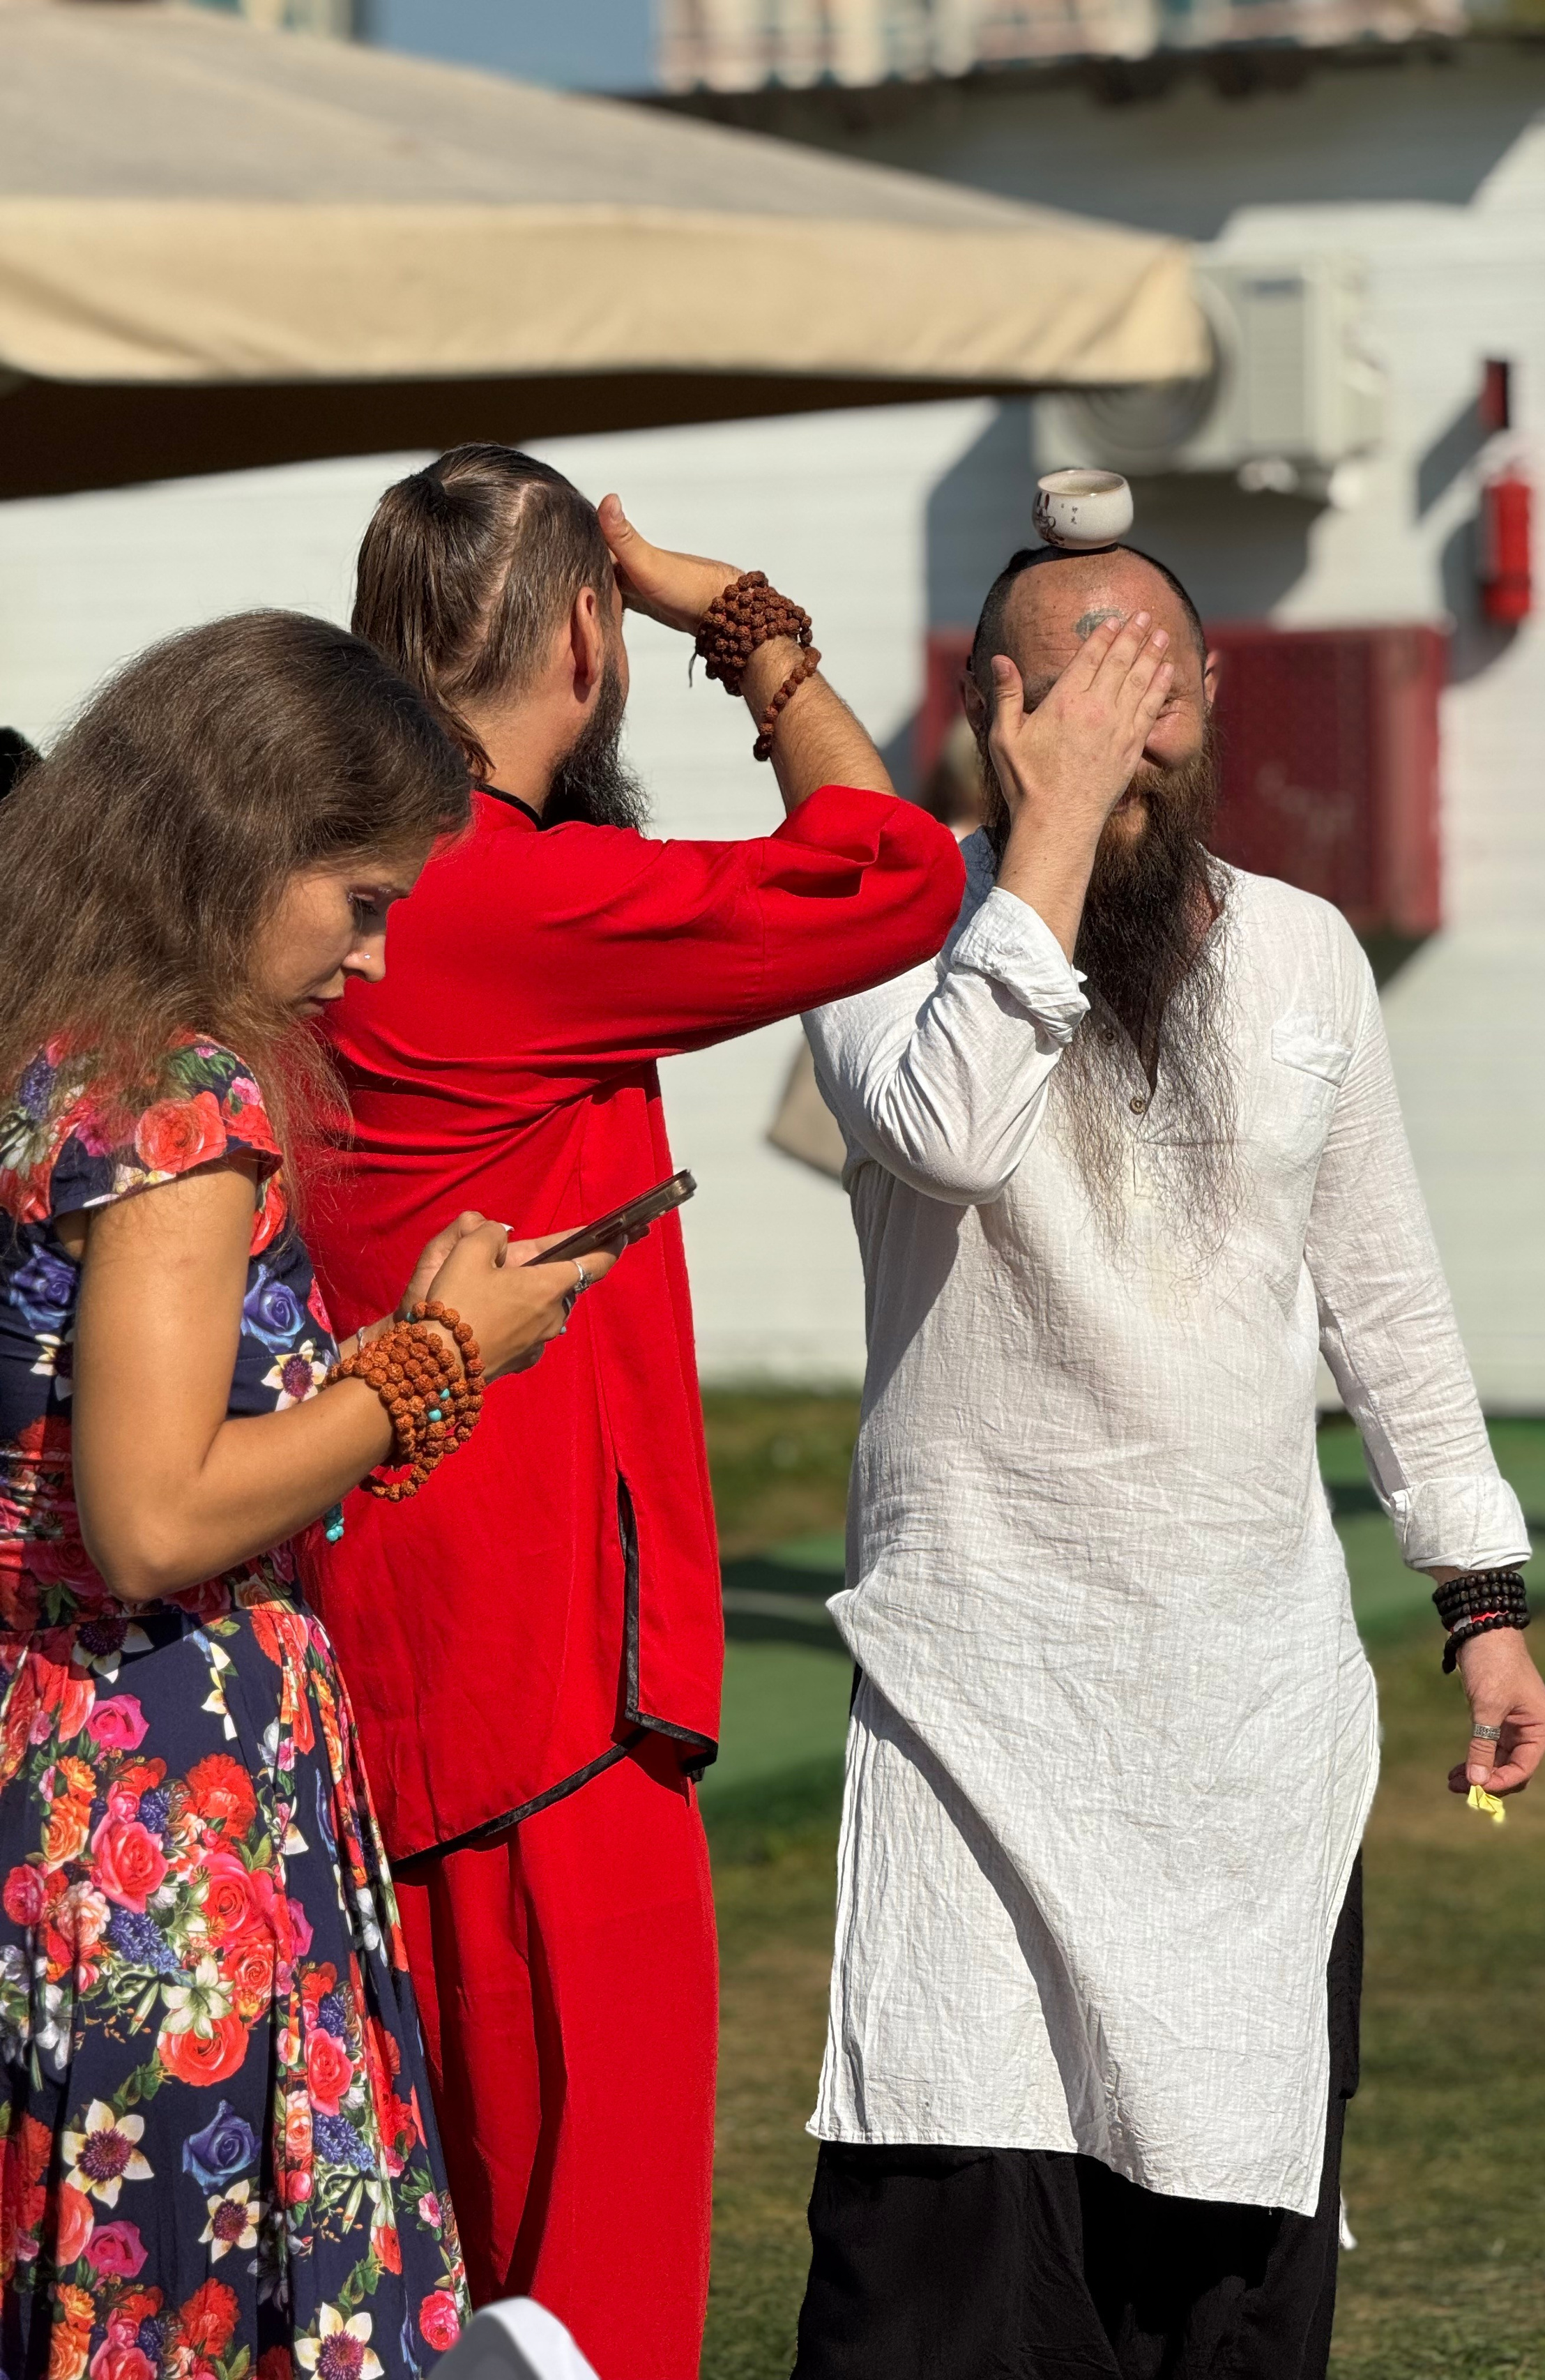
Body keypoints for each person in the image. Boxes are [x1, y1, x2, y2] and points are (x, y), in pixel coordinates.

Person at [794, 544, 1545, 2380]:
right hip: (974, 1710)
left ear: (1211, 707)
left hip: (1247, 1737)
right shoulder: (883, 936)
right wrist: (1043, 839)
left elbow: (1388, 1301)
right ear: (989, 708)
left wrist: (1483, 1600)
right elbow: (953, 1131)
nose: (1123, 745)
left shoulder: (1301, 951)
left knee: (1221, 2300)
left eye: (1159, 702)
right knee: (947, 2289)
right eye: (1074, 701)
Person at [299, 446, 965, 2377]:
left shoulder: (317, 895)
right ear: (584, 638)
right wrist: (746, 628)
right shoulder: (500, 896)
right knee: (589, 2312)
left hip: (380, 1664)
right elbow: (892, 866)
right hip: (537, 1700)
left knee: (418, 2294)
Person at [0, 614, 595, 2374]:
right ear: (242, 848)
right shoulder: (177, 1106)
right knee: (188, 2292)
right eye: (363, 899)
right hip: (165, 1802)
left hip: (65, 1761)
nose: (377, 959)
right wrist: (431, 1365)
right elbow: (158, 1518)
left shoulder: (51, 1059)